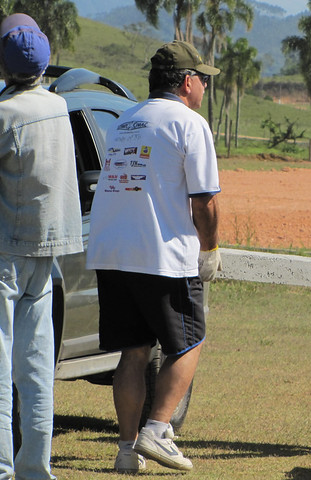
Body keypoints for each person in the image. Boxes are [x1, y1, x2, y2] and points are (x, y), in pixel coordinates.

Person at [86, 40, 222, 473]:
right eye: (203, 78)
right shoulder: (190, 123)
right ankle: (157, 429)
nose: (204, 86)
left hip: (111, 250)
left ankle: (127, 450)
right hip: (161, 253)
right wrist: (211, 248)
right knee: (190, 342)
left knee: (133, 351)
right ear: (187, 83)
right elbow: (205, 203)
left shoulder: (126, 119)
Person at [0, 13, 83, 479]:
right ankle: (35, 467)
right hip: (46, 252)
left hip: (5, 251)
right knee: (34, 369)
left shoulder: (5, 113)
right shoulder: (57, 107)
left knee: (1, 364)